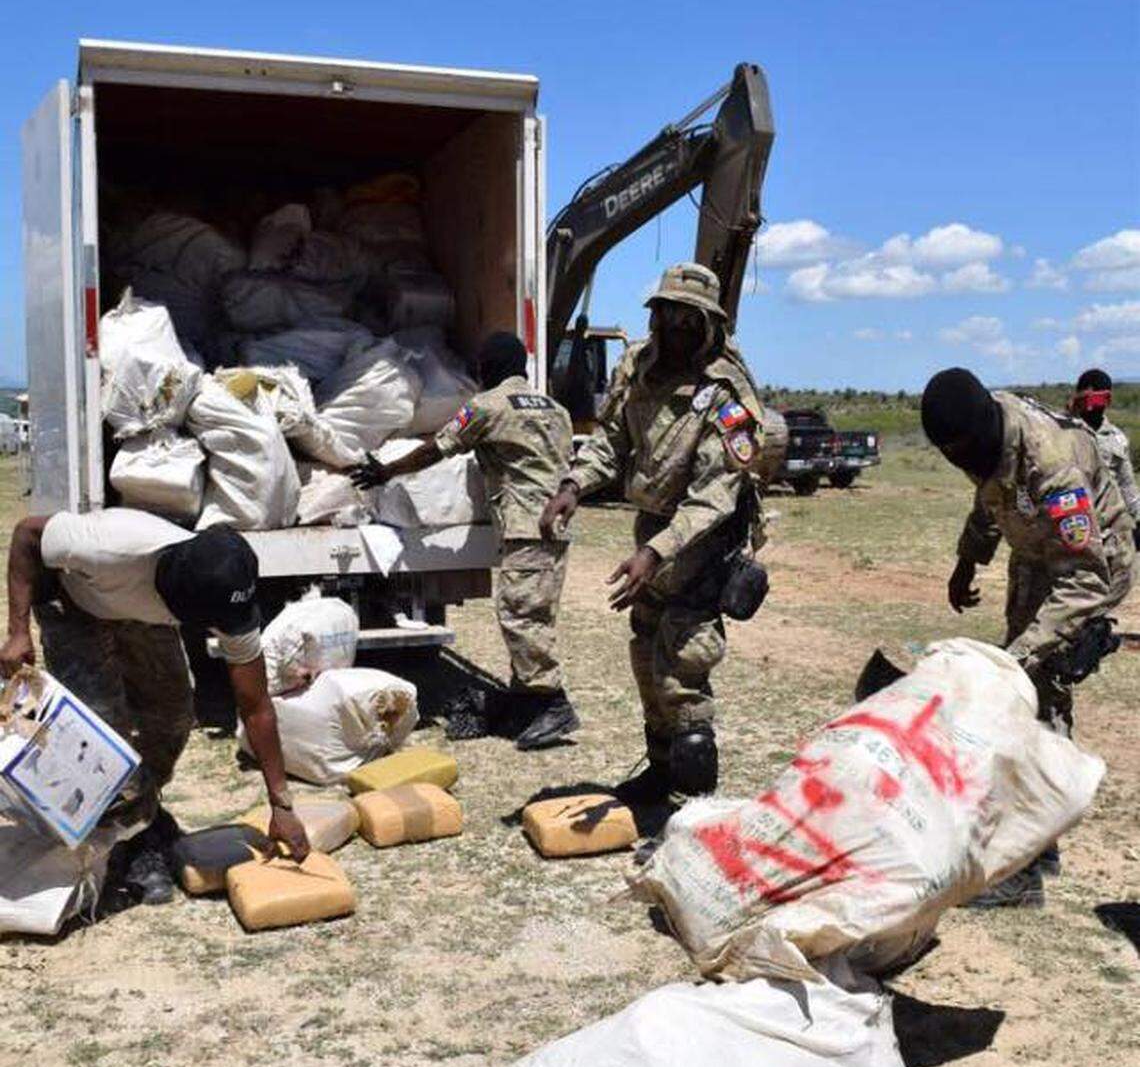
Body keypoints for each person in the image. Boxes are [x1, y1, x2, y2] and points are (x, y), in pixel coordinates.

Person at [541, 262, 769, 802]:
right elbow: (612, 440)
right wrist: (574, 485)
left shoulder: (724, 394)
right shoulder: (639, 368)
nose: (675, 327)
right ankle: (662, 770)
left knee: (682, 670)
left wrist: (654, 551)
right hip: (652, 532)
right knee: (646, 654)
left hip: (704, 544)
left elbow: (716, 495)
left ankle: (695, 804)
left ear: (710, 326)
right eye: (667, 314)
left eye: (690, 319)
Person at [0, 511, 309, 903]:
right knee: (104, 740)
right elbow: (27, 532)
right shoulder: (105, 546)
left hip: (141, 613)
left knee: (174, 716)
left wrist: (282, 804)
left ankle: (141, 816)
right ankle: (124, 849)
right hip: (71, 602)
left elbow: (256, 705)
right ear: (180, 600)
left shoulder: (224, 596)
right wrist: (17, 631)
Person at [921, 367, 1134, 906]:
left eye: (965, 450)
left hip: (1091, 565)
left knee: (1034, 687)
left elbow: (1088, 576)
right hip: (1036, 559)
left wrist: (1014, 659)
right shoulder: (984, 438)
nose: (961, 461)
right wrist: (967, 561)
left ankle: (1026, 866)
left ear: (985, 431)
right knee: (1029, 690)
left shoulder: (1050, 462)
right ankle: (1039, 840)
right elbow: (990, 499)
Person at [351, 332, 578, 751]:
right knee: (536, 614)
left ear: (485, 369)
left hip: (525, 526)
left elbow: (437, 450)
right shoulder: (556, 409)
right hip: (556, 527)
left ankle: (552, 702)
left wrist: (385, 472)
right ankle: (527, 700)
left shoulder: (487, 406)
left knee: (520, 616)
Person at [1068, 368, 1140, 545]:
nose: (1094, 405)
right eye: (1089, 399)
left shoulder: (1117, 439)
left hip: (1106, 527)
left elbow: (1127, 485)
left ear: (1108, 399)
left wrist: (1138, 518)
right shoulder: (1060, 432)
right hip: (1069, 524)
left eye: (1100, 398)